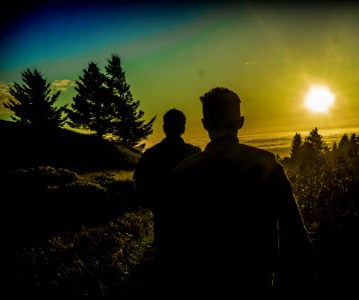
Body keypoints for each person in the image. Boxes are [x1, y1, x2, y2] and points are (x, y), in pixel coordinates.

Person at [156, 87, 314, 298]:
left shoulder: (181, 174)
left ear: (205, 125)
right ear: (241, 122)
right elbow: (295, 230)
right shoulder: (266, 165)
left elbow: (169, 240)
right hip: (257, 280)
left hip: (201, 284)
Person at [133, 108, 201, 247]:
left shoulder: (151, 154)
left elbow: (140, 184)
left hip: (163, 220)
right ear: (183, 127)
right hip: (190, 222)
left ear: (164, 128)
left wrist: (155, 205)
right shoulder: (194, 154)